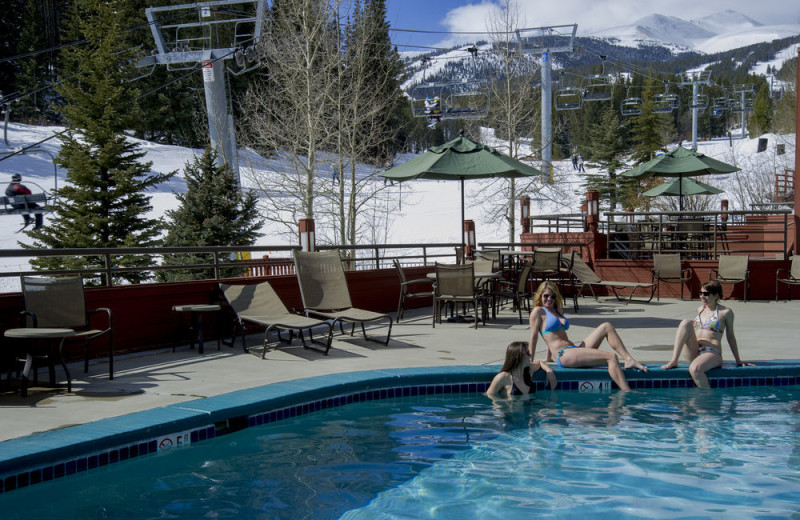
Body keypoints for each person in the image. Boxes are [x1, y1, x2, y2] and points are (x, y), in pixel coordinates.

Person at [528, 281, 647, 391]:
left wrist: (548, 357)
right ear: (540, 295)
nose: (549, 299)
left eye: (553, 296)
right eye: (546, 296)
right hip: (564, 354)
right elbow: (534, 337)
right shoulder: (538, 312)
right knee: (611, 357)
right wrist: (530, 361)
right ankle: (627, 393)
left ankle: (628, 359)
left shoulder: (557, 310)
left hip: (574, 350)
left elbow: (555, 334)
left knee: (607, 326)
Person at [661, 280, 752, 388]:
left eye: (706, 294)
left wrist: (738, 360)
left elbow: (731, 337)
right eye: (700, 293)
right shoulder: (700, 309)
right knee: (685, 322)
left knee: (695, 369)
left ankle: (708, 401)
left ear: (716, 295)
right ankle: (674, 360)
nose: (702, 296)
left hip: (712, 352)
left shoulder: (726, 312)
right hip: (695, 350)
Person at [486, 341, 557, 398]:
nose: (530, 355)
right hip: (512, 414)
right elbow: (489, 395)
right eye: (527, 353)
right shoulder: (503, 377)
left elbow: (539, 362)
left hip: (529, 413)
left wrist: (549, 371)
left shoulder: (529, 370)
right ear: (518, 357)